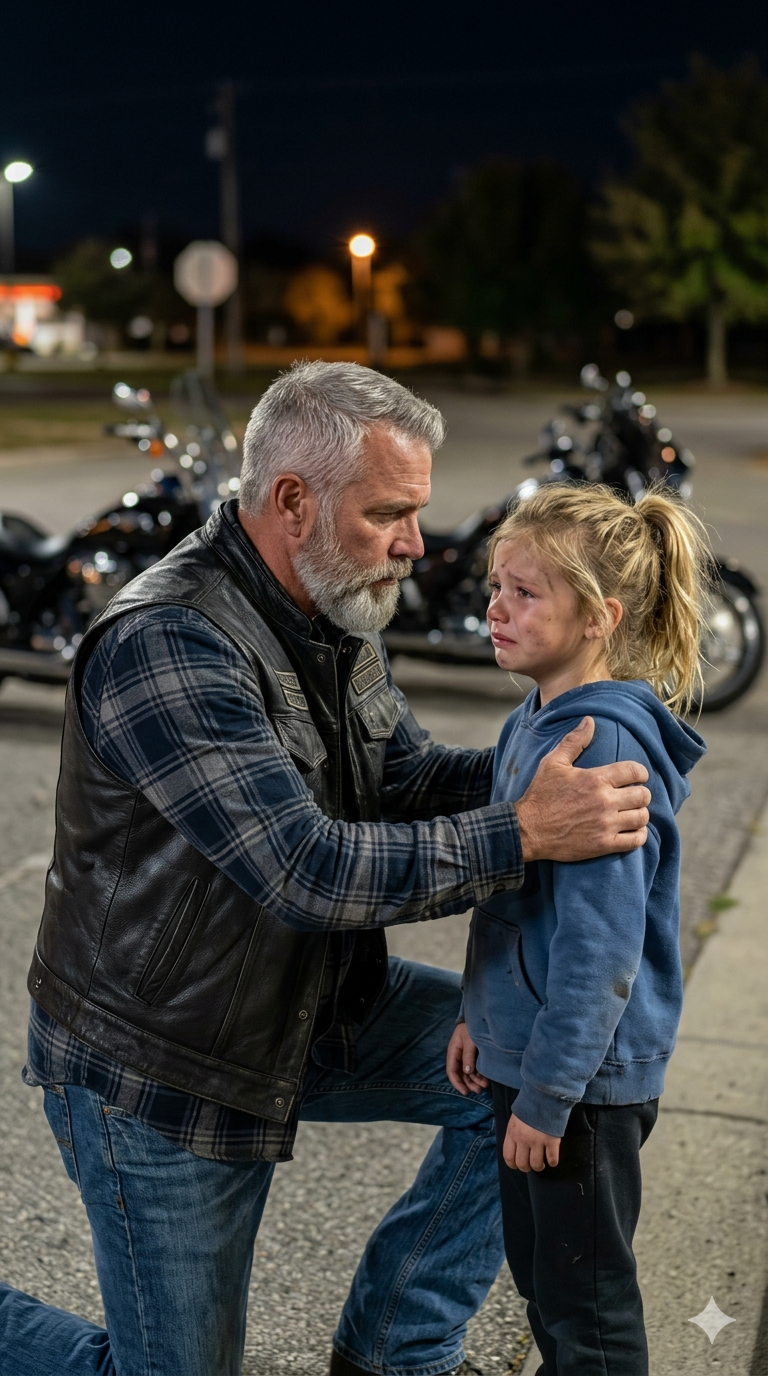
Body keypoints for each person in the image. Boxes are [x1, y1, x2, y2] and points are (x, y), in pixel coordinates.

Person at [0, 364, 651, 1376]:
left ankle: (394, 1347)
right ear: (294, 501)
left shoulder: (335, 610)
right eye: (387, 513)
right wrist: (525, 831)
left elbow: (406, 777)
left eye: (415, 511)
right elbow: (307, 870)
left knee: (552, 1074)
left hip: (316, 1005)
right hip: (164, 1061)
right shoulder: (169, 640)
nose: (415, 543)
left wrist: (558, 766)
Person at [447, 482, 708, 1376]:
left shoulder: (602, 748)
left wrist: (549, 1095)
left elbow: (601, 952)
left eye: (525, 592)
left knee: (589, 1310)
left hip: (582, 1088)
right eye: (496, 586)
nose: (496, 607)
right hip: (530, 1061)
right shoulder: (533, 720)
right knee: (544, 1283)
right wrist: (479, 1017)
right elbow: (514, 900)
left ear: (599, 618)